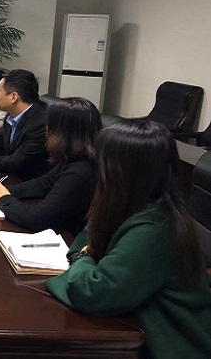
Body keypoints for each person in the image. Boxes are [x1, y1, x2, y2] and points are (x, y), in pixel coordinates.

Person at [46, 120, 211, 359]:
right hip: (134, 326)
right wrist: (84, 257)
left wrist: (82, 259)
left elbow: (96, 292)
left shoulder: (156, 227)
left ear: (122, 171)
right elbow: (83, 241)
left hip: (172, 342)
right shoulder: (124, 205)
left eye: (102, 161)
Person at [0, 97, 101, 235]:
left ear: (63, 132)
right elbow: (43, 183)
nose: (46, 130)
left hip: (67, 239)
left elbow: (37, 219)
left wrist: (4, 199)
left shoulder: (80, 172)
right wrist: (5, 190)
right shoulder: (73, 158)